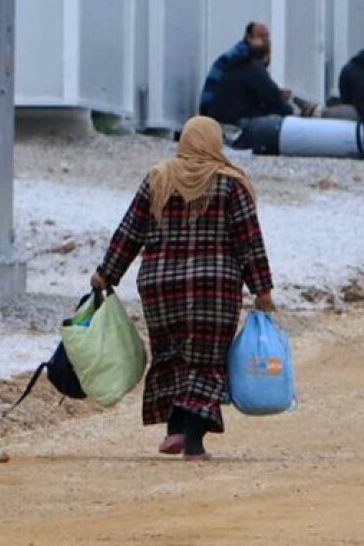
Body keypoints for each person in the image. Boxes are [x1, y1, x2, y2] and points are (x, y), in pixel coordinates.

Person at [90, 116, 274, 461]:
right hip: (213, 288)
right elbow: (248, 241)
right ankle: (193, 443)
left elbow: (130, 230)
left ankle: (174, 430)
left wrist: (106, 274)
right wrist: (262, 289)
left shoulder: (159, 178)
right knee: (204, 362)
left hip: (161, 285)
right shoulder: (230, 183)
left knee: (171, 356)